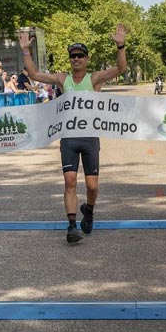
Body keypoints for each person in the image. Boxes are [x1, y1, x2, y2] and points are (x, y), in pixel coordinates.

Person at [18, 24, 127, 244]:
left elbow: (120, 69)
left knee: (92, 186)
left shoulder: (94, 78)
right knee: (69, 181)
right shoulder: (62, 79)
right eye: (73, 56)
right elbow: (35, 74)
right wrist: (25, 51)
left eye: (80, 56)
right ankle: (71, 226)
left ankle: (89, 208)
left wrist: (120, 45)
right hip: (69, 137)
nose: (76, 59)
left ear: (86, 59)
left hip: (89, 137)